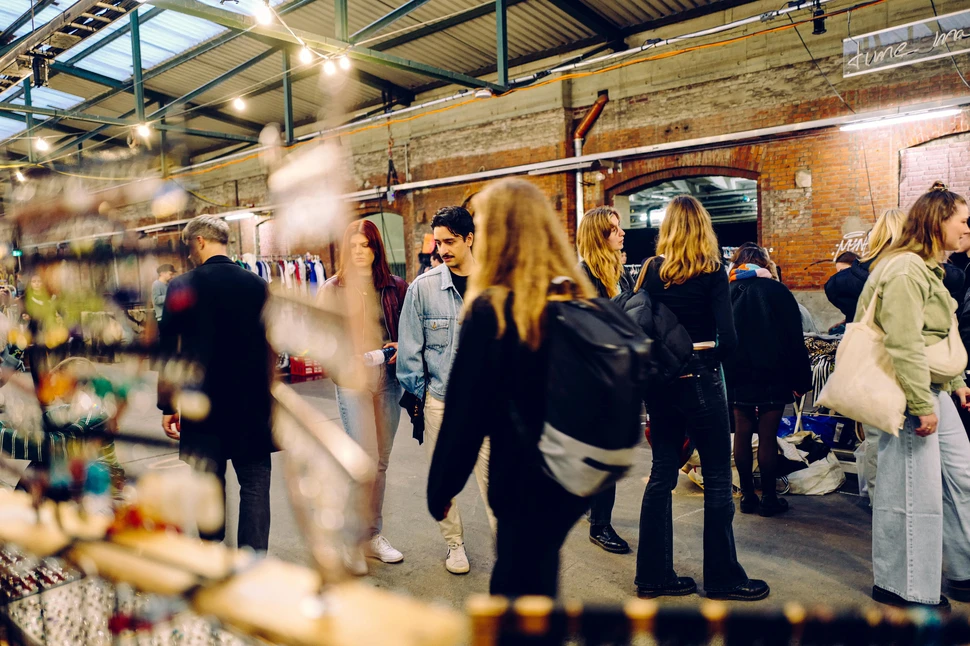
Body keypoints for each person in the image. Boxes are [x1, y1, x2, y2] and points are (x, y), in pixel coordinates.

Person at [427, 178, 597, 597]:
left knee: (516, 592)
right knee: (541, 574)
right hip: (570, 476)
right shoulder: (574, 297)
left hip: (520, 475)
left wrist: (443, 488)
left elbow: (466, 416)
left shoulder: (493, 309)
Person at [633, 195, 768, 601]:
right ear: (703, 228)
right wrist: (707, 358)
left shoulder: (651, 270)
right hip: (701, 376)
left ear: (667, 228)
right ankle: (723, 578)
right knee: (718, 475)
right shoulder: (711, 271)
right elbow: (729, 337)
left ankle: (654, 575)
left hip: (660, 381)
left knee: (662, 472)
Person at [860, 182, 970, 609]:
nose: (967, 228)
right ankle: (902, 585)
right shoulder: (906, 269)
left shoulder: (927, 268)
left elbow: (935, 335)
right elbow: (903, 343)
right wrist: (922, 404)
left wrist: (955, 380)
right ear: (938, 222)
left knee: (961, 476)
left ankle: (963, 570)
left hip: (931, 386)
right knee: (910, 491)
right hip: (909, 390)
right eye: (963, 220)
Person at [157, 216, 275, 552]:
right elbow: (271, 344)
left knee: (208, 482)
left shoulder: (182, 286)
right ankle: (253, 560)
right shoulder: (257, 285)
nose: (188, 254)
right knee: (254, 484)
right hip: (252, 402)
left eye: (189, 247)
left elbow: (170, 351)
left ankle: (211, 552)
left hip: (202, 402)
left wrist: (168, 405)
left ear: (199, 241)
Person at [398, 205, 495, 575]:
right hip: (441, 403)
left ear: (469, 238)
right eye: (438, 242)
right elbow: (410, 353)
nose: (442, 249)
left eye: (450, 241)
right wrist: (423, 400)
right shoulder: (423, 289)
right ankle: (455, 546)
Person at [319, 220, 409, 571]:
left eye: (365, 245)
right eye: (353, 246)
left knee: (380, 462)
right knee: (361, 461)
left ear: (376, 249)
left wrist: (402, 346)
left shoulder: (396, 287)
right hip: (353, 380)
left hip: (389, 378)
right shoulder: (332, 289)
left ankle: (372, 535)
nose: (359, 252)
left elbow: (410, 332)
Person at [723, 245, 811, 517]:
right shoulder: (777, 291)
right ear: (765, 264)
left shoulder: (726, 291)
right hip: (774, 372)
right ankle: (770, 498)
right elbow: (794, 338)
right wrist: (801, 379)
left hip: (736, 373)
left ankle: (747, 497)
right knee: (768, 435)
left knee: (742, 431)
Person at [576, 206, 632, 554]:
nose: (621, 233)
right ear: (599, 236)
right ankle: (600, 525)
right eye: (614, 228)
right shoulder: (582, 278)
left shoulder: (619, 274)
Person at [825, 210, 906, 325]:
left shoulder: (841, 282)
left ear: (875, 237)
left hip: (866, 334)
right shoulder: (922, 272)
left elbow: (831, 287)